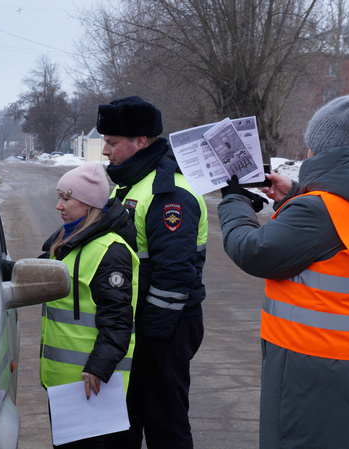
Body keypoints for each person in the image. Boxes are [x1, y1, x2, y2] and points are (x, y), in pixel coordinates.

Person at [217, 93, 349, 448]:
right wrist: (296, 194)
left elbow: (253, 252)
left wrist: (234, 201)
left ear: (323, 149)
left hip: (312, 375)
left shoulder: (317, 213)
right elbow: (340, 228)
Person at [96, 96, 208, 449]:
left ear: (141, 141)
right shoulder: (128, 183)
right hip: (137, 326)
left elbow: (174, 277)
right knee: (123, 424)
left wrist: (150, 341)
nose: (104, 151)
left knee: (166, 427)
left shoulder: (169, 194)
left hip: (164, 329)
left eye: (112, 142)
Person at [38, 162, 139, 449]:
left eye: (66, 198)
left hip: (90, 383)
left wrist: (98, 368)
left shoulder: (109, 251)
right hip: (67, 384)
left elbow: (119, 321)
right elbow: (32, 271)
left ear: (89, 203)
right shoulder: (68, 241)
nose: (59, 205)